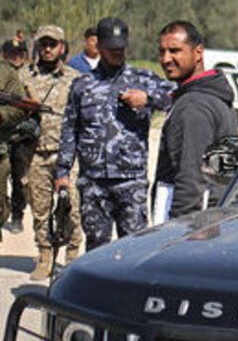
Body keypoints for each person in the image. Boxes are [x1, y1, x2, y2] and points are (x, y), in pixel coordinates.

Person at [56, 16, 173, 250]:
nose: (117, 53)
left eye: (120, 48)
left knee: (134, 248)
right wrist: (62, 171)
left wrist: (148, 99)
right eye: (111, 49)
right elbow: (70, 128)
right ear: (98, 46)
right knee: (97, 247)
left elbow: (177, 97)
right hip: (93, 182)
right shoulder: (82, 85)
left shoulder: (143, 80)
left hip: (131, 181)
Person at [152, 20, 238, 222]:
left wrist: (180, 234)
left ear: (198, 53)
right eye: (162, 51)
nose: (166, 59)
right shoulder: (210, 96)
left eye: (175, 51)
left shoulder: (193, 107)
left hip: (193, 227)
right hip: (212, 220)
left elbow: (191, 180)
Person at [23, 26, 83, 279]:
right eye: (43, 44)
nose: (48, 49)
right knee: (40, 209)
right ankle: (45, 257)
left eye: (53, 44)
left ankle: (71, 259)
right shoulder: (24, 77)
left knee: (72, 208)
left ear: (62, 47)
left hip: (67, 156)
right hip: (35, 154)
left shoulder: (75, 79)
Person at [3, 35, 34, 232]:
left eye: (19, 53)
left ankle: (17, 215)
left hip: (23, 136)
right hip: (3, 135)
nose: (16, 57)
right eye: (11, 53)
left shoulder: (31, 75)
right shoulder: (2, 73)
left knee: (20, 178)